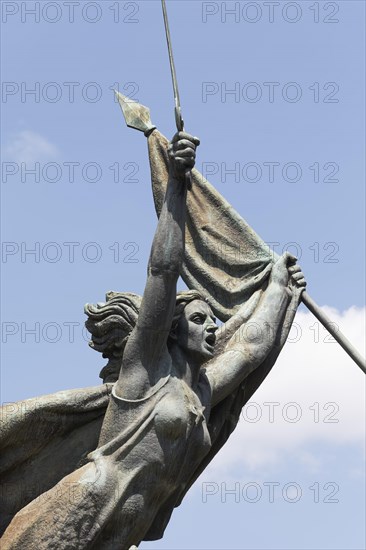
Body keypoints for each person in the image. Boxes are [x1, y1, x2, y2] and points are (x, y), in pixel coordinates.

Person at [1, 132, 306, 549]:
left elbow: (252, 348)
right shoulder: (144, 371)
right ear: (172, 331)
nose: (213, 327)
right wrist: (177, 186)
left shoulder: (203, 392)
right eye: (200, 319)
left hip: (126, 530)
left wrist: (277, 287)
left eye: (212, 321)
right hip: (79, 514)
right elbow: (163, 270)